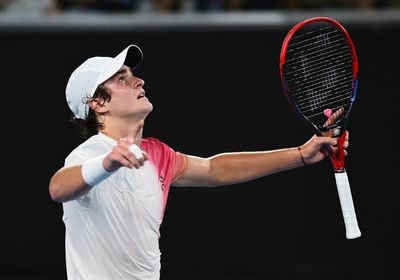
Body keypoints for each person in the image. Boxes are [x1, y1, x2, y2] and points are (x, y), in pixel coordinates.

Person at [49, 44, 349, 280]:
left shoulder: (157, 154)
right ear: (98, 104)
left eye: (133, 74)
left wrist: (300, 155)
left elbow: (213, 169)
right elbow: (59, 187)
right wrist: (108, 163)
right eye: (121, 79)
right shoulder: (92, 153)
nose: (139, 80)